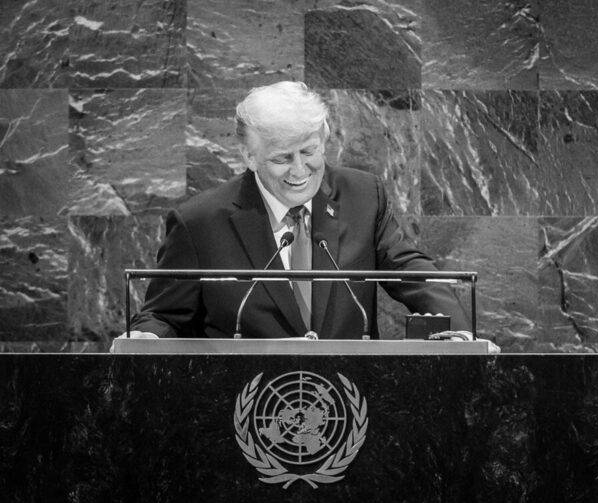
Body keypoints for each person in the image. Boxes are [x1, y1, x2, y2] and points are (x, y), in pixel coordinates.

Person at [124, 81, 476, 341]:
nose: (299, 170)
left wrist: (461, 334)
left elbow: (411, 272)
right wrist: (146, 338)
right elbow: (163, 315)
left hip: (350, 399)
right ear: (249, 157)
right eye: (282, 158)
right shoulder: (199, 223)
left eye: (309, 152)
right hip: (246, 401)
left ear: (323, 140)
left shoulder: (363, 196)